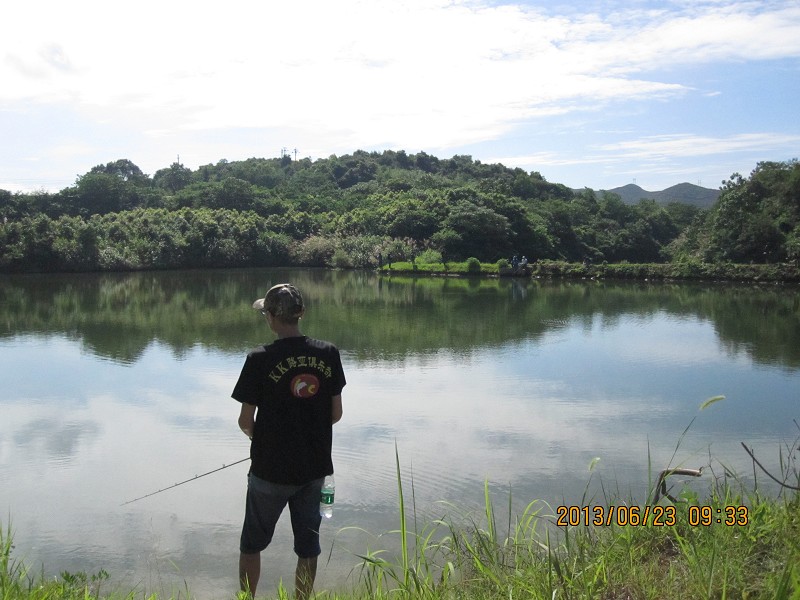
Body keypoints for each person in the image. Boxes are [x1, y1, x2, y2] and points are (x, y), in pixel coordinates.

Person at [231, 283, 346, 599]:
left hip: (269, 471)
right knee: (308, 547)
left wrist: (262, 438)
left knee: (251, 544)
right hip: (314, 470)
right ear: (301, 314)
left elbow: (245, 421)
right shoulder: (328, 353)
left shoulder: (259, 359)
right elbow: (335, 414)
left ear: (269, 316)